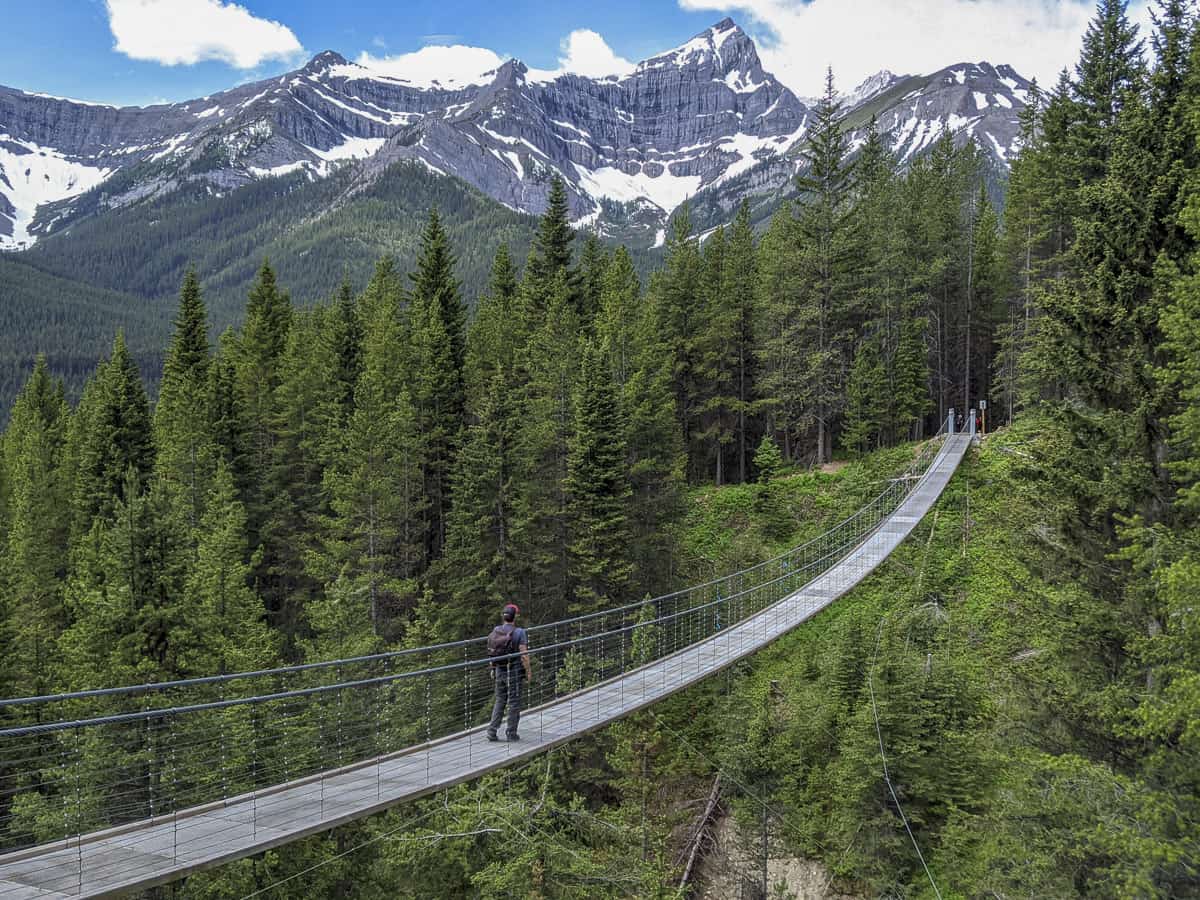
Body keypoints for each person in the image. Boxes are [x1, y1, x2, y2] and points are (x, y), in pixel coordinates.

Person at [487, 603, 530, 742]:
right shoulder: (519, 632)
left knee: (500, 700)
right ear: (514, 617)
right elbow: (524, 655)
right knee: (514, 702)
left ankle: (492, 731)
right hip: (514, 671)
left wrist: (493, 668)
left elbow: (492, 652)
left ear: (504, 617)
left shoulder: (496, 630)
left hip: (499, 670)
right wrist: (528, 671)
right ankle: (511, 733)